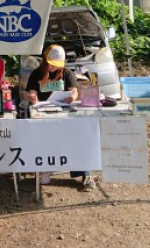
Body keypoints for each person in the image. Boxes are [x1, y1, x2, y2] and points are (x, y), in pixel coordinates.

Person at [23, 45, 96, 191]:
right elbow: (30, 91)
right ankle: (44, 167)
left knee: (80, 136)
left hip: (63, 112)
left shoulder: (66, 73)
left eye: (56, 65)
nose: (53, 67)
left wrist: (72, 97)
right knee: (42, 136)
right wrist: (32, 96)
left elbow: (74, 90)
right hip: (43, 113)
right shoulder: (36, 74)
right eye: (51, 64)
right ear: (45, 61)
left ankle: (85, 173)